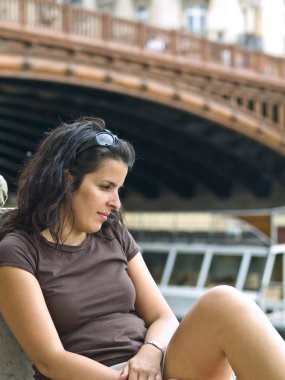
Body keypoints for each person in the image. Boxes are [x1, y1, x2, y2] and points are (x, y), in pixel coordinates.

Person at [0, 117, 284, 380]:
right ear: (66, 180)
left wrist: (151, 352)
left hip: (152, 365)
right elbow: (50, 359)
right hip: (98, 376)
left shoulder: (113, 233)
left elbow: (163, 317)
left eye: (119, 189)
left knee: (225, 302)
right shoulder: (18, 251)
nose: (116, 202)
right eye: (106, 186)